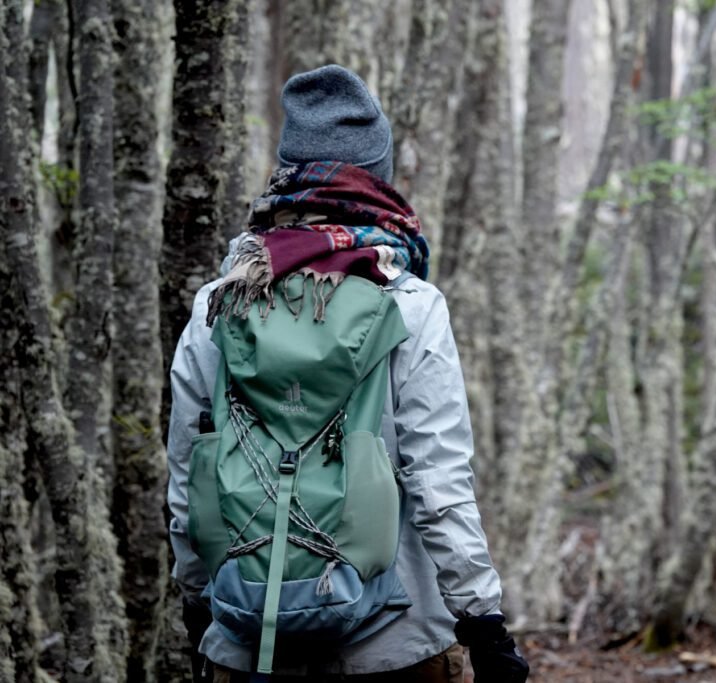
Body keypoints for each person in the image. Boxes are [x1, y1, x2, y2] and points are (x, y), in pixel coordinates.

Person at [167, 64, 530, 683]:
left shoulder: (218, 304)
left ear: (287, 175)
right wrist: (482, 620)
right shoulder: (411, 304)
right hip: (391, 636)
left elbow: (190, 468)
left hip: (248, 627)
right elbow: (438, 477)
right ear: (379, 179)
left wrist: (199, 599)